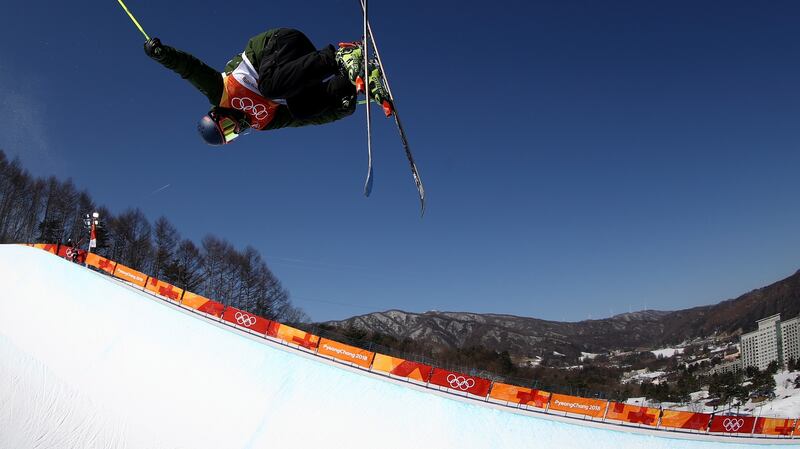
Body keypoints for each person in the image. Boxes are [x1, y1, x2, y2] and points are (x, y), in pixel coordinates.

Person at [144, 28, 391, 145]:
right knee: (302, 109)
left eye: (228, 127)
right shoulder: (262, 122)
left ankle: (339, 57)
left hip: (277, 45)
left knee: (271, 87)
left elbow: (189, 69)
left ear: (218, 115)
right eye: (232, 135)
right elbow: (303, 121)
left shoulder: (220, 92)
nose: (237, 129)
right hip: (298, 69)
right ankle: (354, 78)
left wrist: (161, 54)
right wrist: (340, 109)